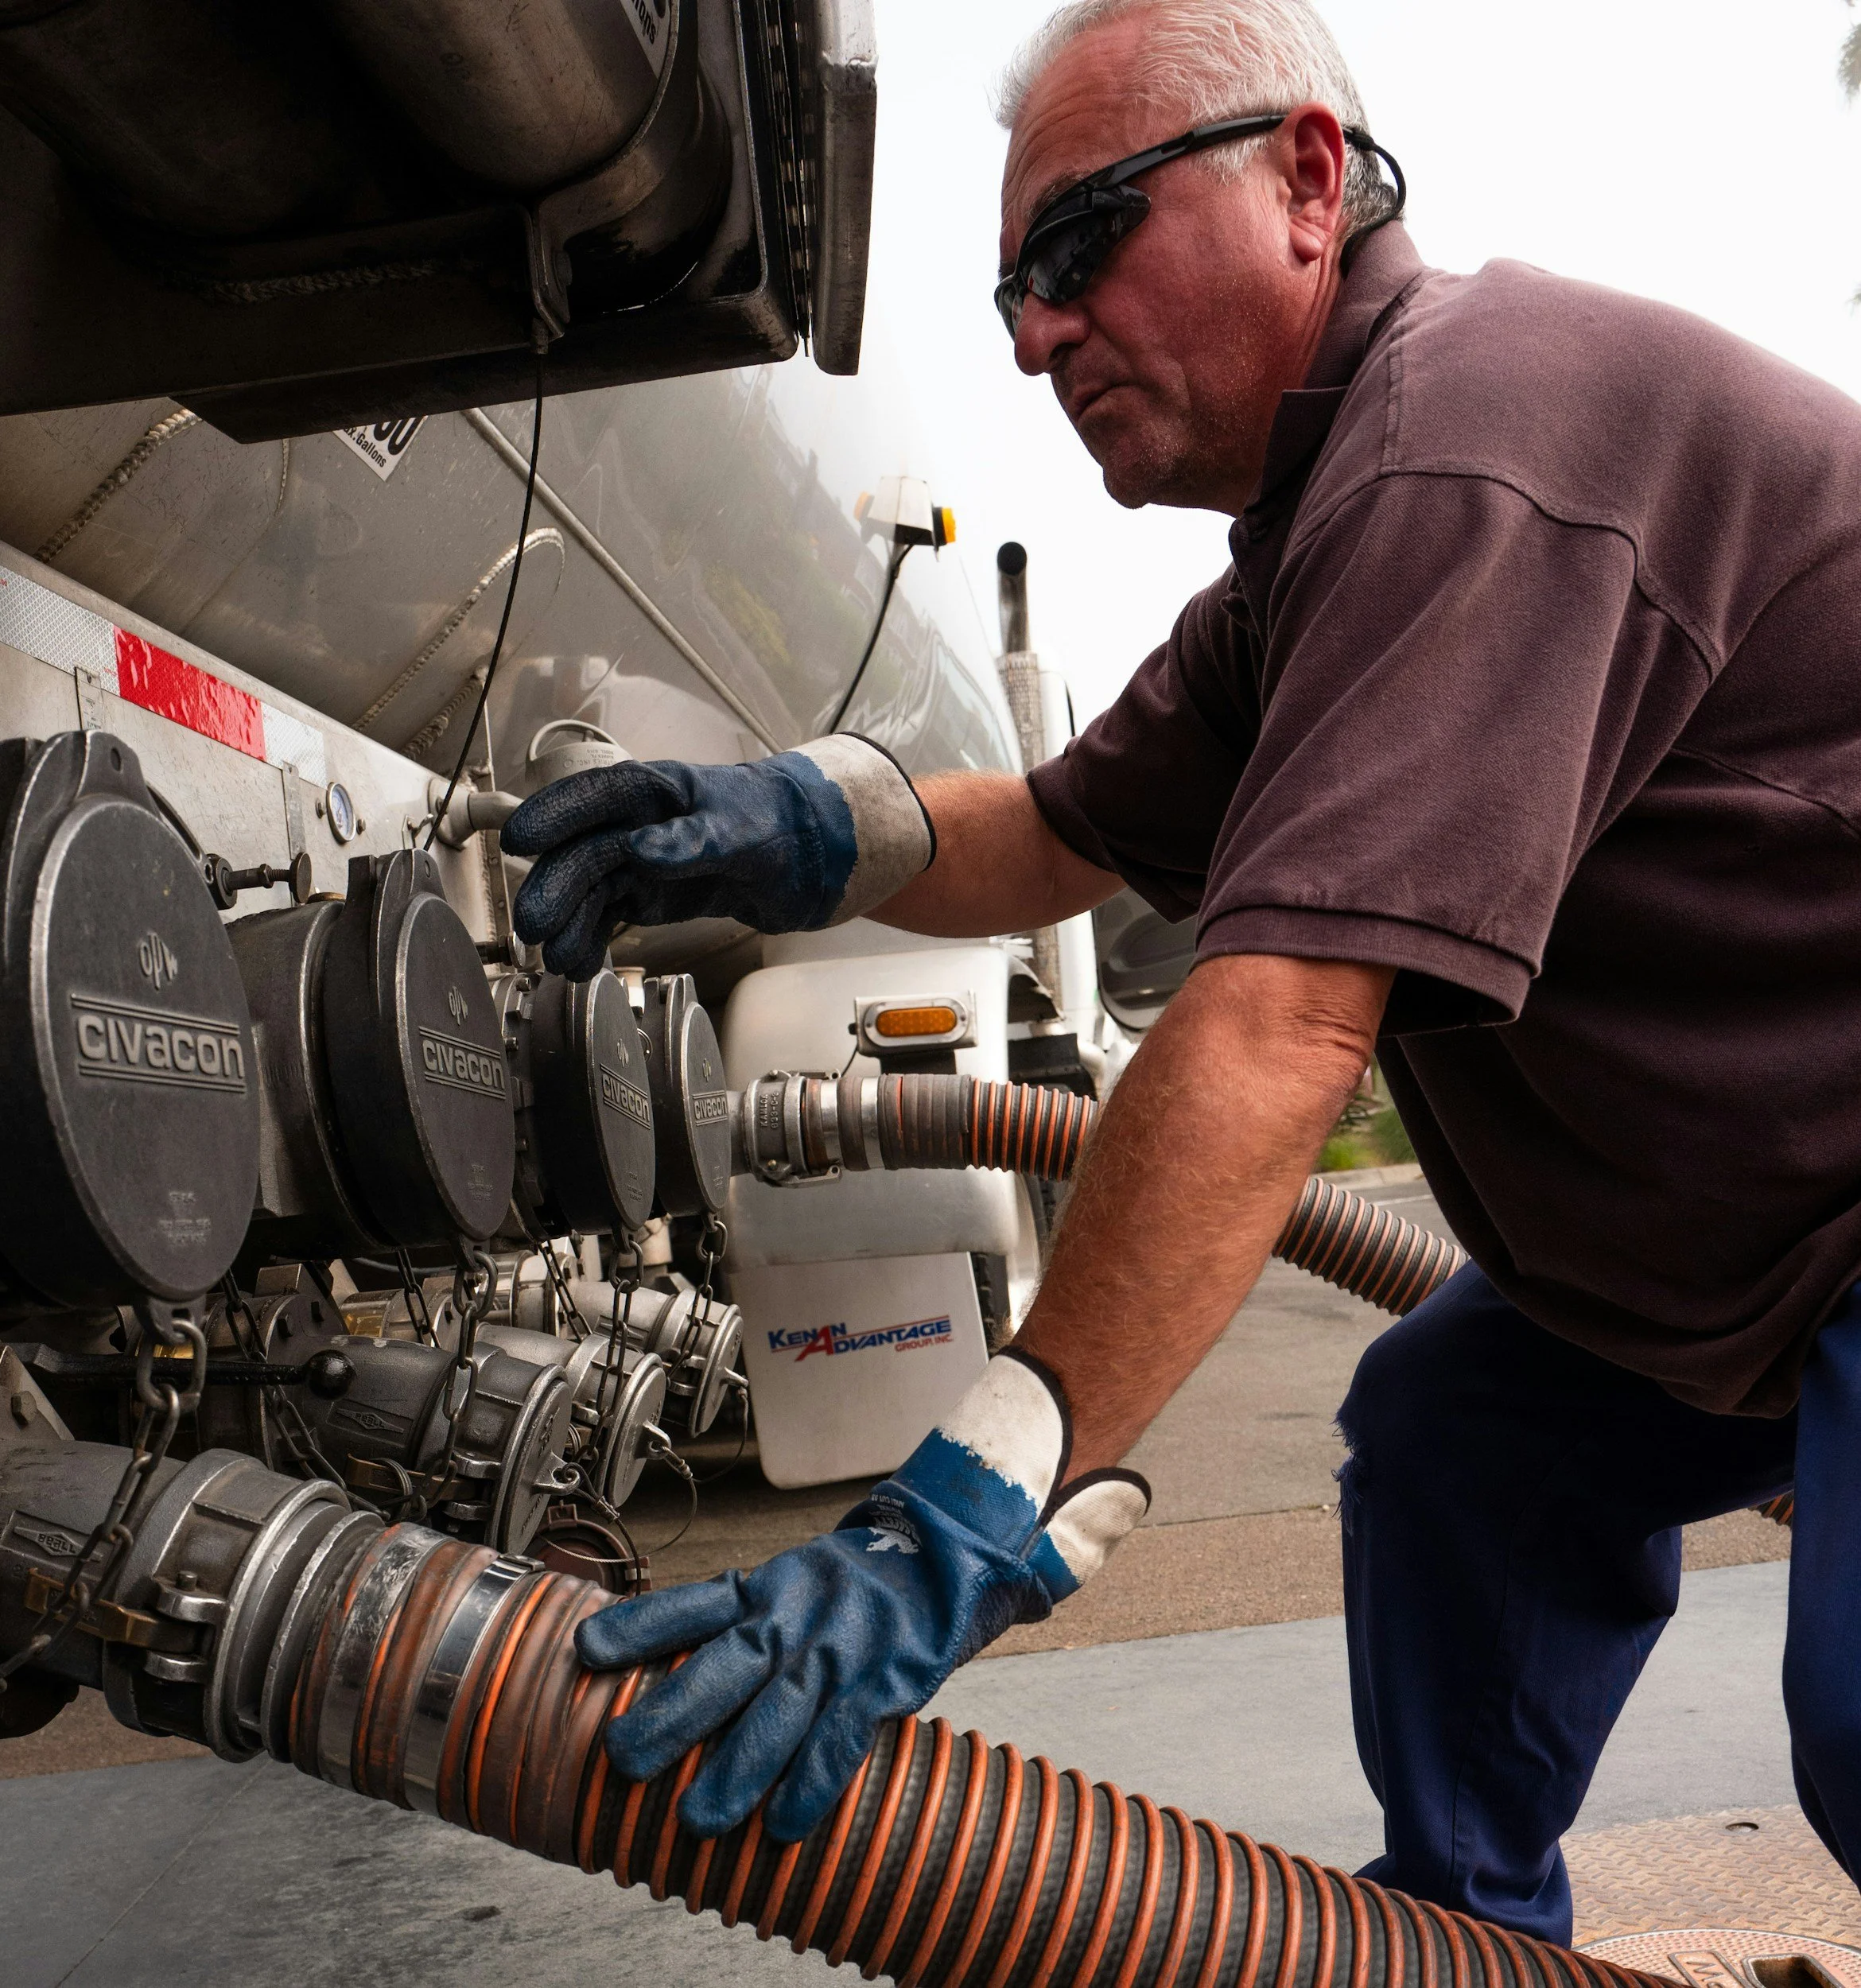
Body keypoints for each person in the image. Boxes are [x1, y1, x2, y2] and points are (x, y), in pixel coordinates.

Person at [497, 0, 1861, 1943]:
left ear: (1308, 181)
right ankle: (1458, 1942)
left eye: (1076, 247)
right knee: (1454, 1429)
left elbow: (1283, 1018)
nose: (1040, 333)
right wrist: (797, 820)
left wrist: (967, 1500)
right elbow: (1057, 827)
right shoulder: (1309, 558)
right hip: (1745, 1260)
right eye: (1008, 307)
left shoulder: (1472, 435)